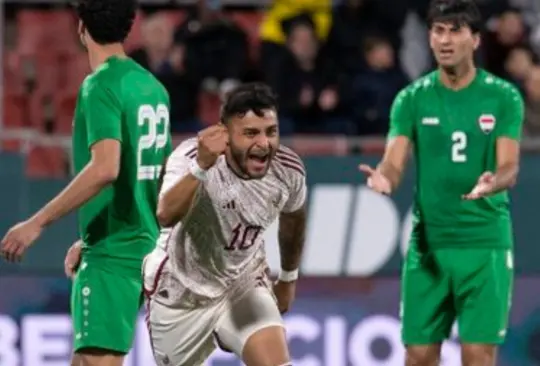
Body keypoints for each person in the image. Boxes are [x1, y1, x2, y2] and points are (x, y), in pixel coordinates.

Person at [1, 0, 172, 365]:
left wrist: (37, 223)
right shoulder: (153, 88)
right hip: (137, 245)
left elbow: (105, 168)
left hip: (114, 257)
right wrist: (94, 233)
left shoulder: (100, 86)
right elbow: (157, 176)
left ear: (81, 29)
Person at [359, 1, 524, 365]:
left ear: (476, 39)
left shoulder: (503, 97)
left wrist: (494, 181)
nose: (445, 40)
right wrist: (384, 179)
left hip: (484, 245)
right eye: (438, 30)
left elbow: (510, 165)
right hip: (429, 247)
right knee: (418, 355)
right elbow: (394, 159)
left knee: (478, 354)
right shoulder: (411, 99)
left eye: (455, 30)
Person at [143, 82, 307, 366]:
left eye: (271, 132)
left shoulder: (287, 172)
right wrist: (202, 167)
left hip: (241, 284)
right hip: (180, 293)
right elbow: (165, 214)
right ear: (225, 134)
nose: (264, 144)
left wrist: (289, 277)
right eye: (250, 133)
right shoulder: (191, 158)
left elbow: (294, 218)